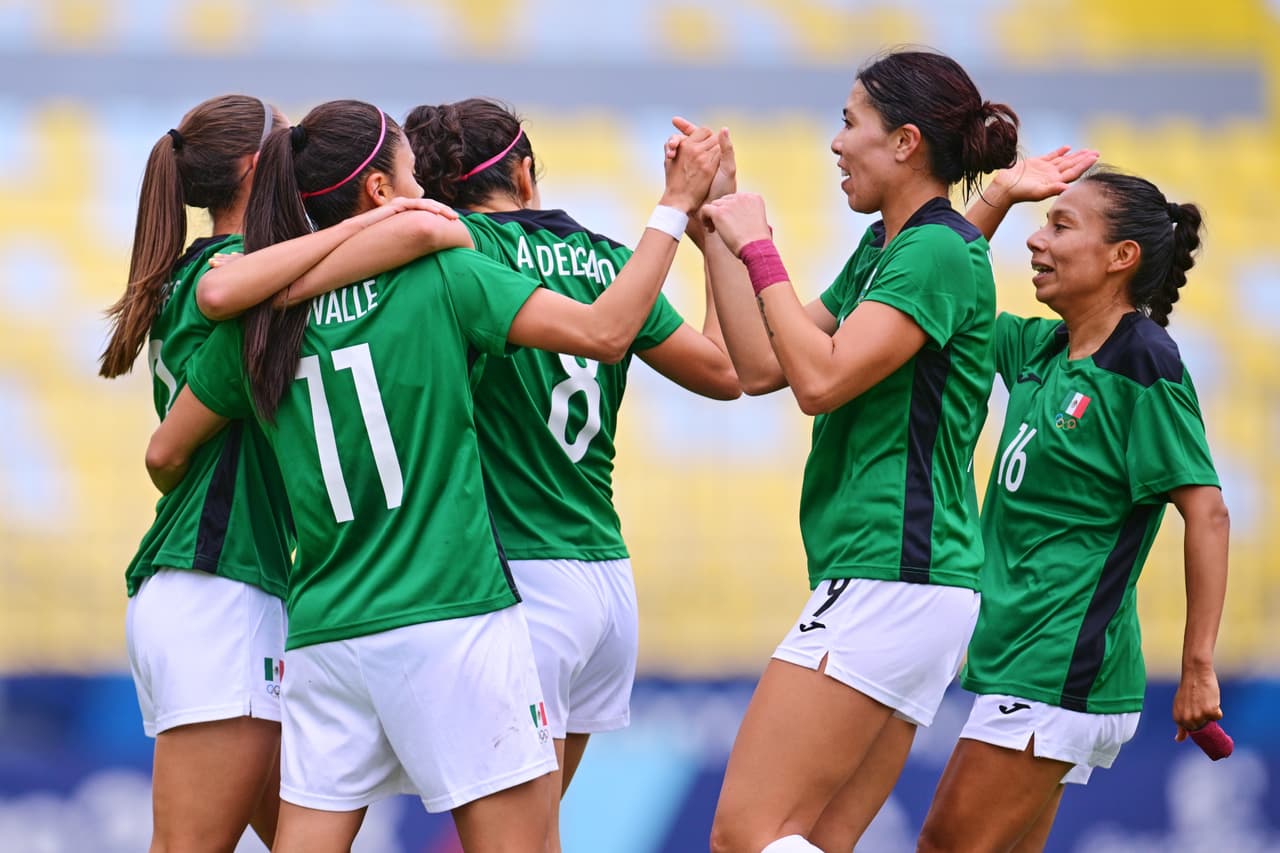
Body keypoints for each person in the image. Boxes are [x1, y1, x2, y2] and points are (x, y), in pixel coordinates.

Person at [144, 98, 721, 853]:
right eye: (414, 176)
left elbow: (164, 453)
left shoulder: (257, 320)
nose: (430, 195)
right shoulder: (440, 275)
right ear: (379, 193)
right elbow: (606, 332)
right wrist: (675, 206)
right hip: (450, 614)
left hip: (325, 628)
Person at [686, 49, 1020, 853]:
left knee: (745, 833)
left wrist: (760, 245)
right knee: (805, 838)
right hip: (907, 578)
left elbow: (819, 380)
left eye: (849, 122)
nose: (836, 143)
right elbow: (758, 365)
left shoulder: (934, 250)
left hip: (893, 571)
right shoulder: (889, 247)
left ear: (905, 142)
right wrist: (716, 234)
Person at [914, 164, 1229, 852]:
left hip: (1062, 663)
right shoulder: (1040, 349)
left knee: (944, 845)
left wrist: (1198, 664)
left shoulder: (1142, 363)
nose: (1037, 240)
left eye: (1061, 225)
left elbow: (1205, 510)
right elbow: (934, 294)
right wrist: (994, 199)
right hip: (1020, 656)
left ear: (1122, 257)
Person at [97, 94, 292, 853]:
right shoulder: (235, 276)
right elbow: (167, 452)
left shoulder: (199, 272)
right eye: (290, 145)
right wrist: (386, 222)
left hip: (216, 584)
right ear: (253, 166)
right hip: (220, 584)